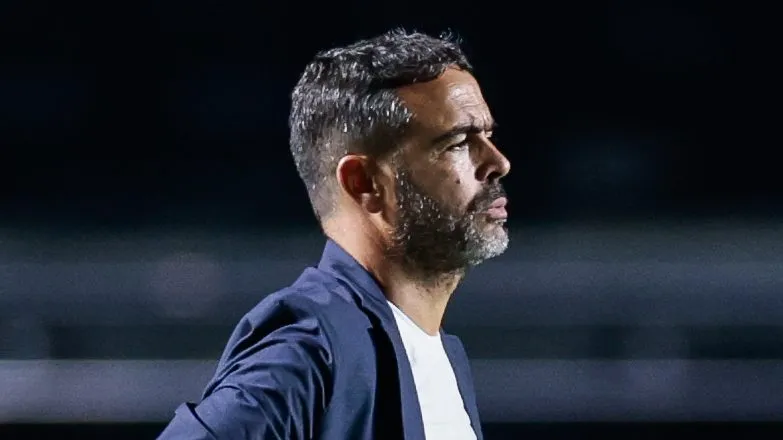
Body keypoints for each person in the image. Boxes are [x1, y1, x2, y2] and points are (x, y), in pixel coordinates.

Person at [158, 28, 511, 440]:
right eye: (456, 143)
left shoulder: (437, 352)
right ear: (363, 182)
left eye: (487, 136)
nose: (498, 162)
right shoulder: (309, 350)